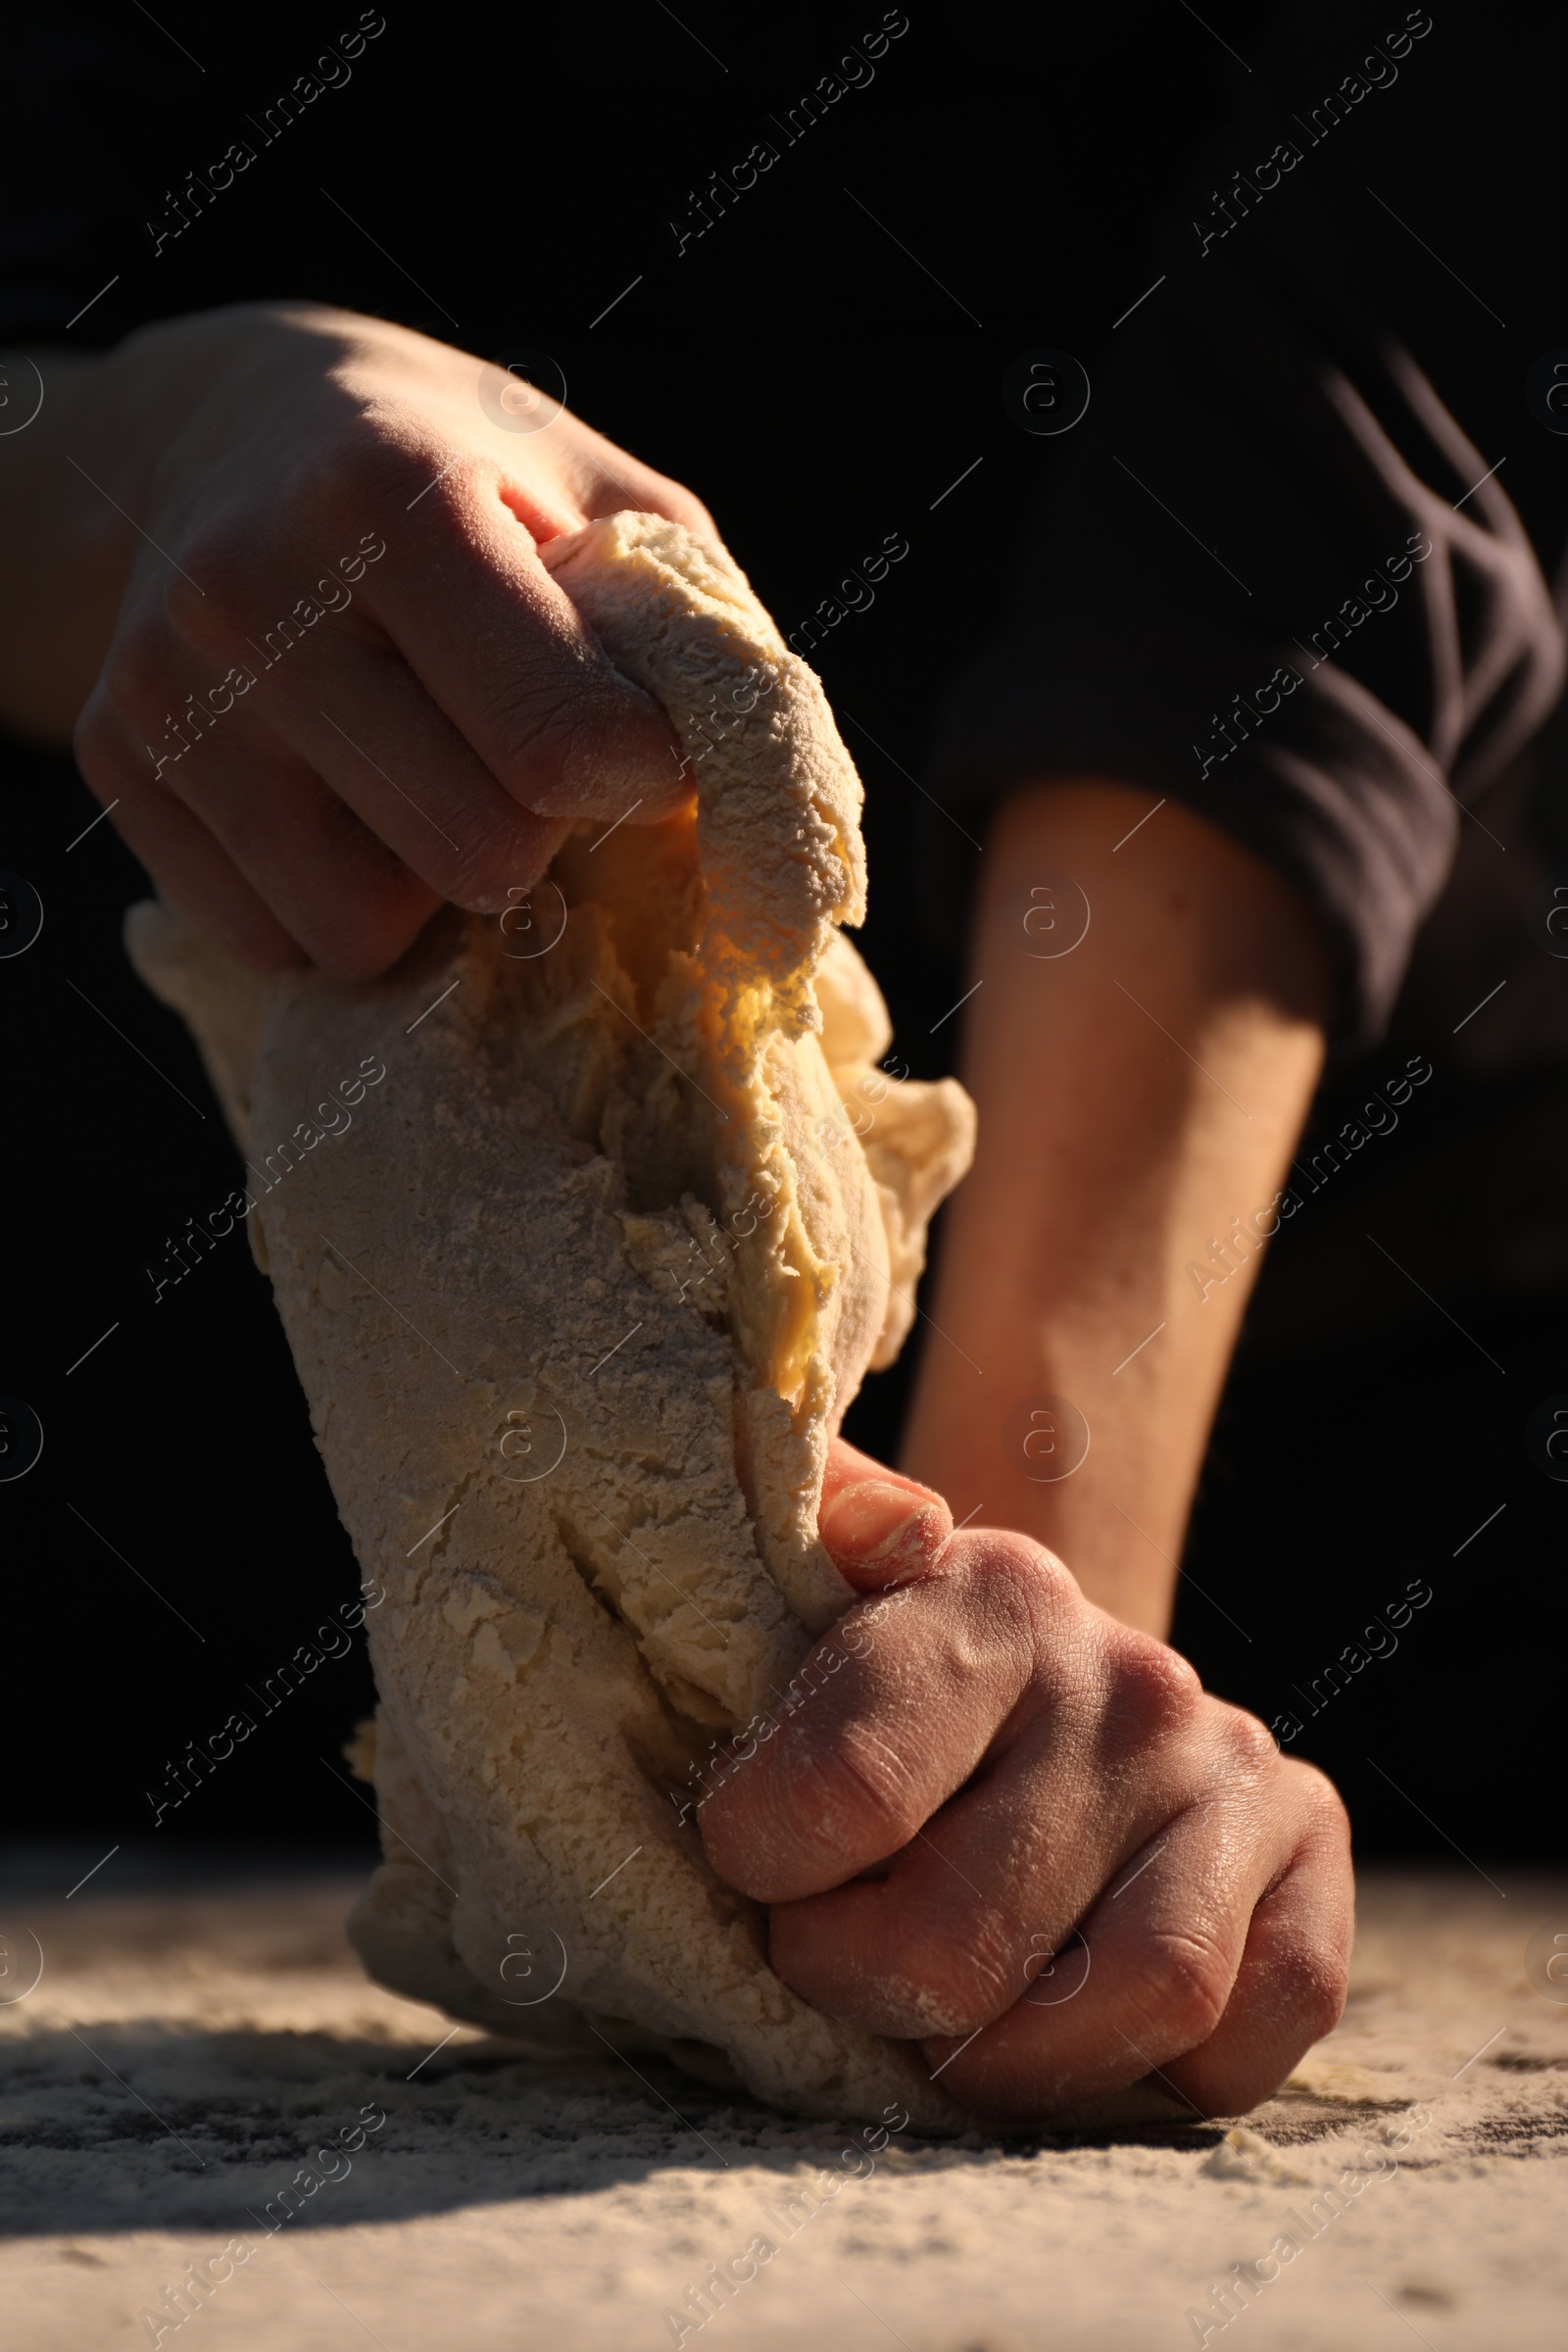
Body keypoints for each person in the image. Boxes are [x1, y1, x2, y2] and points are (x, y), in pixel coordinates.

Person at [4, 2, 1556, 2127]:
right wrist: (165, 442)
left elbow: (1300, 511)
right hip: (143, 1420)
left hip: (1318, 1389)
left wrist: (986, 1701)